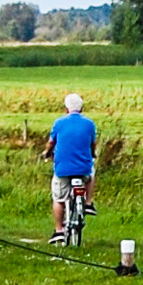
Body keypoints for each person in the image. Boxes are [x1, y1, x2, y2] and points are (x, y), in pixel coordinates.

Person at [45, 92, 97, 237]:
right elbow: (92, 144)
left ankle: (59, 231)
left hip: (63, 169)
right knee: (91, 174)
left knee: (59, 199)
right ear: (81, 108)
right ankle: (88, 202)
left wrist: (46, 153)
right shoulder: (89, 124)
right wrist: (92, 154)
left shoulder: (59, 123)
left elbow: (51, 143)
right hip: (83, 168)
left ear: (66, 108)